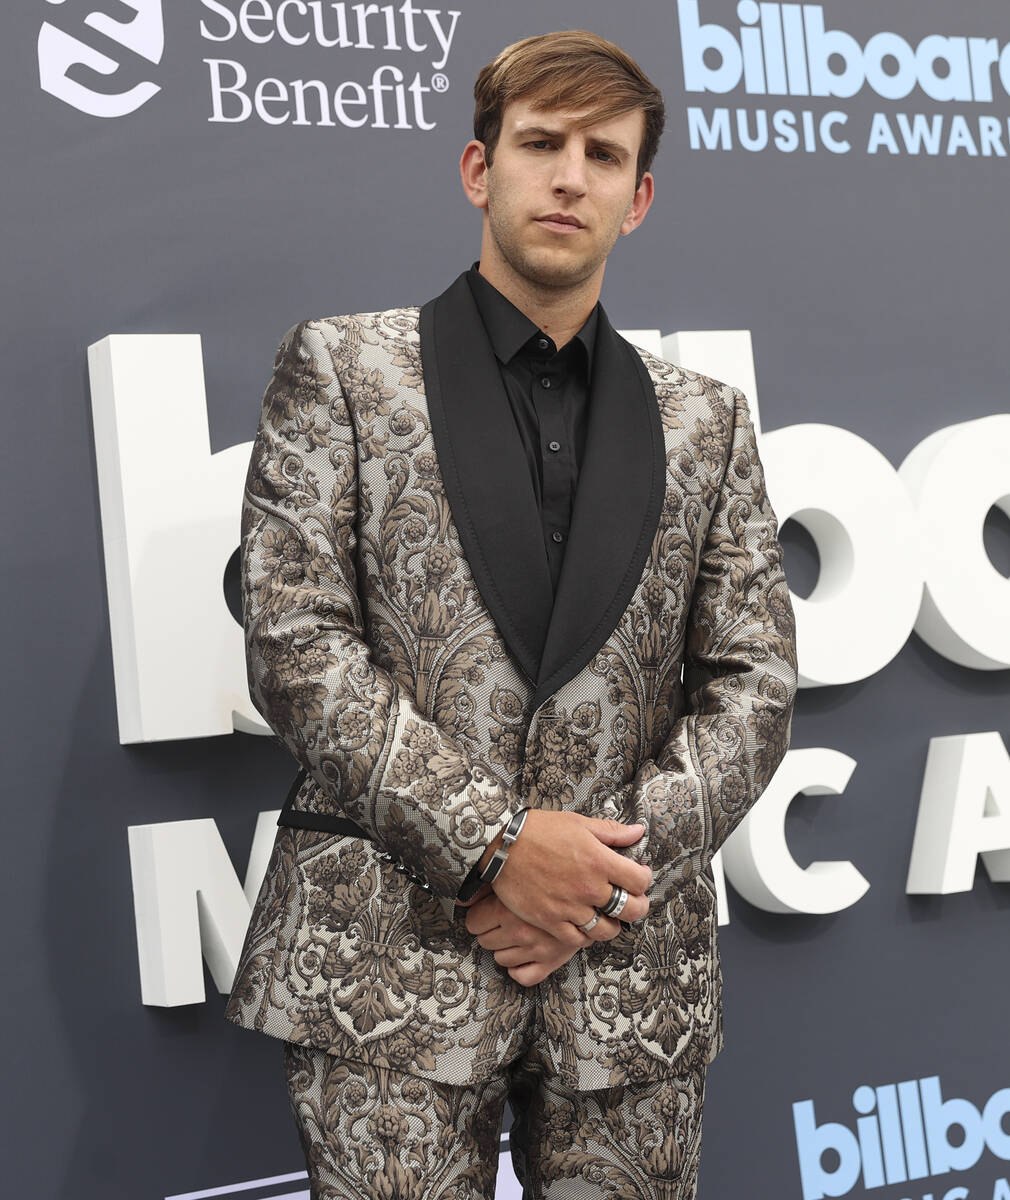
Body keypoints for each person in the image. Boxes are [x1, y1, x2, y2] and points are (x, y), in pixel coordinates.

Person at [225, 29, 797, 1200]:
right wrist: (496, 846)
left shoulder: (708, 422)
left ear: (636, 200)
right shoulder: (340, 368)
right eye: (539, 143)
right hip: (385, 958)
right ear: (479, 170)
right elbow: (294, 640)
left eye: (600, 154)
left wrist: (590, 885)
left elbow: (754, 681)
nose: (567, 175)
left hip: (627, 971)